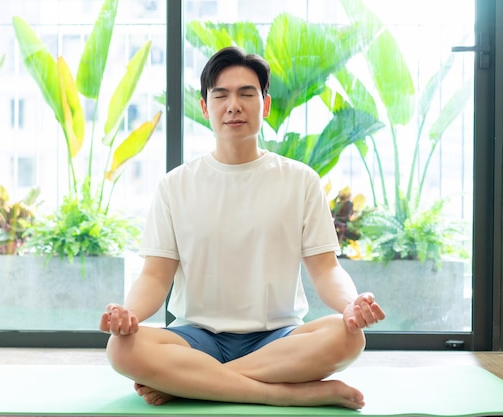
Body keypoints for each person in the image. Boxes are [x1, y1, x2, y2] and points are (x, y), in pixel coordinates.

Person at [99, 46, 386, 410]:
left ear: (265, 105)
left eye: (246, 94)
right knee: (121, 348)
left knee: (348, 338)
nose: (234, 105)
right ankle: (285, 393)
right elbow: (155, 276)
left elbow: (327, 269)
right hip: (195, 338)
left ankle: (194, 383)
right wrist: (129, 316)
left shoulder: (301, 181)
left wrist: (351, 305)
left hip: (278, 337)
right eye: (221, 96)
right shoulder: (175, 185)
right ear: (205, 108)